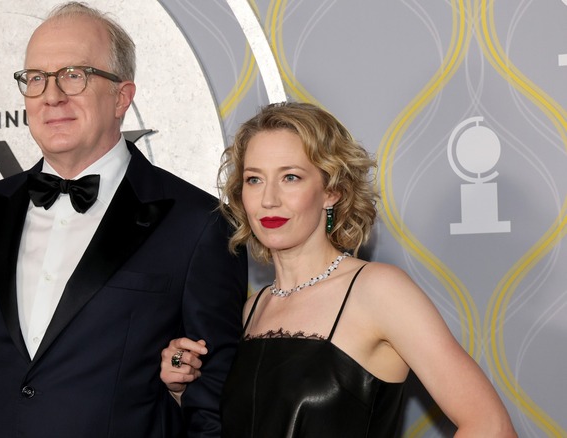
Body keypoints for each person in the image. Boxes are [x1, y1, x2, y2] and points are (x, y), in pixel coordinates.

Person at [0, 2, 247, 437]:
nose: (51, 95)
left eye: (74, 75)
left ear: (122, 97)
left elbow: (211, 408)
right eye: (36, 78)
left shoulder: (196, 224)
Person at [160, 102, 516, 437]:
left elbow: (490, 424)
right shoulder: (252, 309)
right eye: (254, 179)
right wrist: (184, 389)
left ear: (332, 191)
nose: (268, 199)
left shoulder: (378, 291)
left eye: (291, 177)